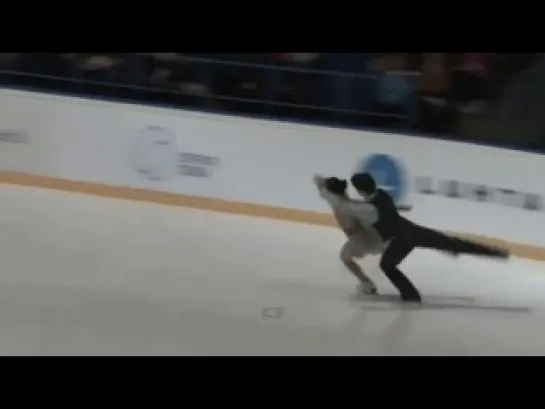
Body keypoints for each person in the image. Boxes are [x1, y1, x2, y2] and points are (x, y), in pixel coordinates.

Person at [350, 172, 510, 302]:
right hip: (407, 231)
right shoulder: (381, 195)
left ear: (361, 191)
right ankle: (493, 253)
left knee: (388, 265)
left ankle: (411, 296)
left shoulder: (371, 207)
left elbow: (377, 224)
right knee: (448, 244)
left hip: (405, 235)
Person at [313, 175, 382, 295]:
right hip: (369, 236)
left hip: (360, 238)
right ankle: (367, 281)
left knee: (345, 257)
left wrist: (323, 183)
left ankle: (367, 283)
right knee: (350, 255)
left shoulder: (339, 203)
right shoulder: (349, 201)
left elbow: (317, 180)